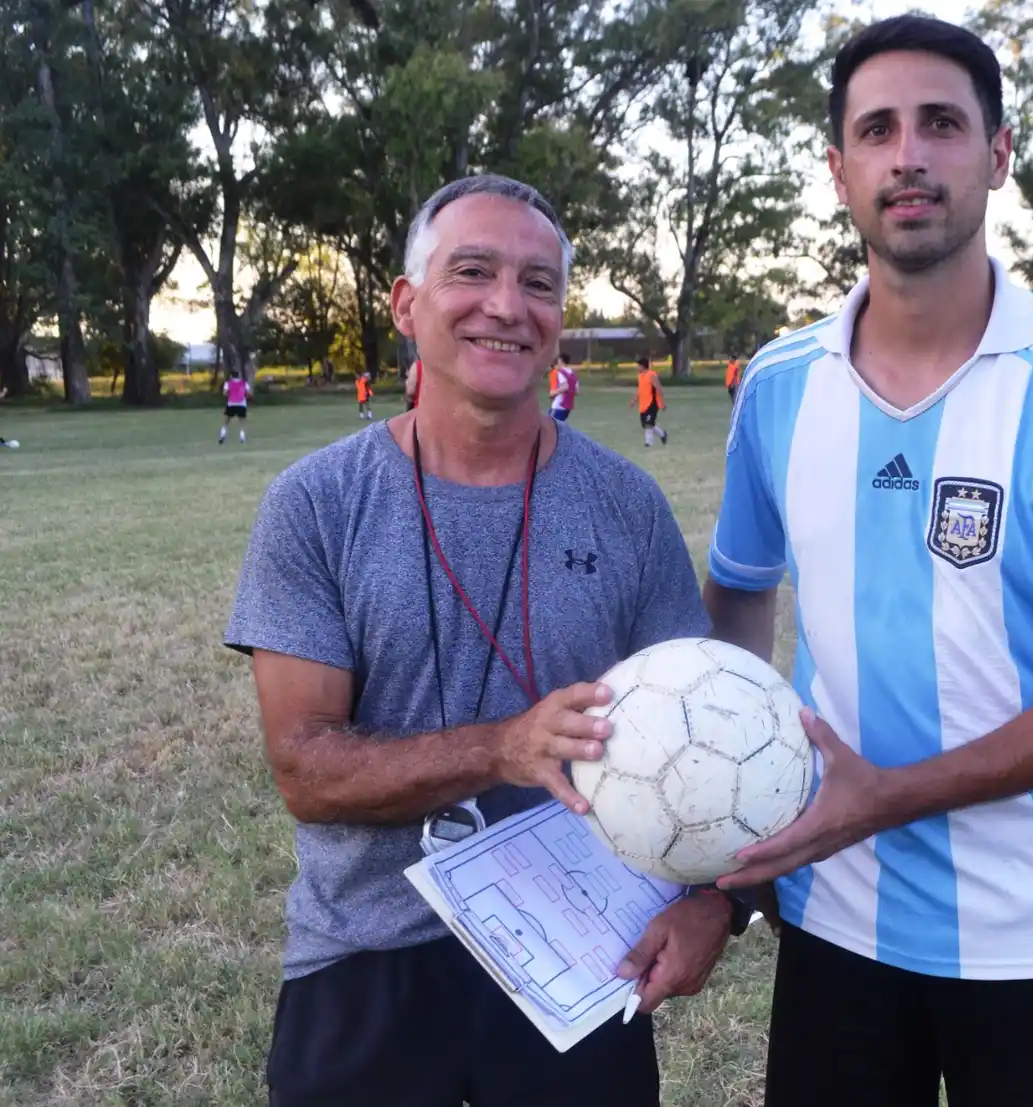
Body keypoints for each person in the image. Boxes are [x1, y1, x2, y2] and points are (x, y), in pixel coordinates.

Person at [705, 16, 1033, 1107]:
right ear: (839, 171)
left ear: (998, 153)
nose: (908, 155)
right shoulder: (779, 384)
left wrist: (882, 797)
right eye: (876, 130)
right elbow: (740, 588)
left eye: (941, 124)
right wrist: (731, 779)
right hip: (833, 911)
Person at [225, 174, 748, 1107]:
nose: (506, 305)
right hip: (366, 953)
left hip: (581, 952)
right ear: (406, 303)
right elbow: (306, 771)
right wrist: (504, 748)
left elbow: (719, 741)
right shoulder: (316, 504)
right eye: (473, 271)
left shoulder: (626, 506)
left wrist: (717, 904)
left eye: (539, 283)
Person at [634, 355, 667, 447]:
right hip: (643, 404)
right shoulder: (640, 376)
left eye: (638, 365)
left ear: (643, 366)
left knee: (648, 423)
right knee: (646, 424)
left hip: (652, 403)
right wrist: (634, 400)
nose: (637, 367)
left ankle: (648, 442)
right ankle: (662, 434)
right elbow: (640, 390)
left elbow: (659, 388)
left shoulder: (652, 375)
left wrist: (663, 403)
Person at [219, 369, 250, 444]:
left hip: (231, 404)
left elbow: (225, 393)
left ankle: (222, 435)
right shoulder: (244, 383)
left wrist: (229, 394)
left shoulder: (228, 383)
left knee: (226, 421)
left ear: (231, 376)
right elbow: (247, 393)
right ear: (238, 375)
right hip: (242, 404)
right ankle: (242, 437)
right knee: (242, 422)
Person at [547, 352, 578, 421]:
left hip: (558, 405)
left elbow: (565, 387)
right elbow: (576, 391)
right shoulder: (572, 373)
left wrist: (553, 393)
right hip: (567, 407)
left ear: (561, 360)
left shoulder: (560, 372)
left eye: (558, 360)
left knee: (550, 427)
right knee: (558, 427)